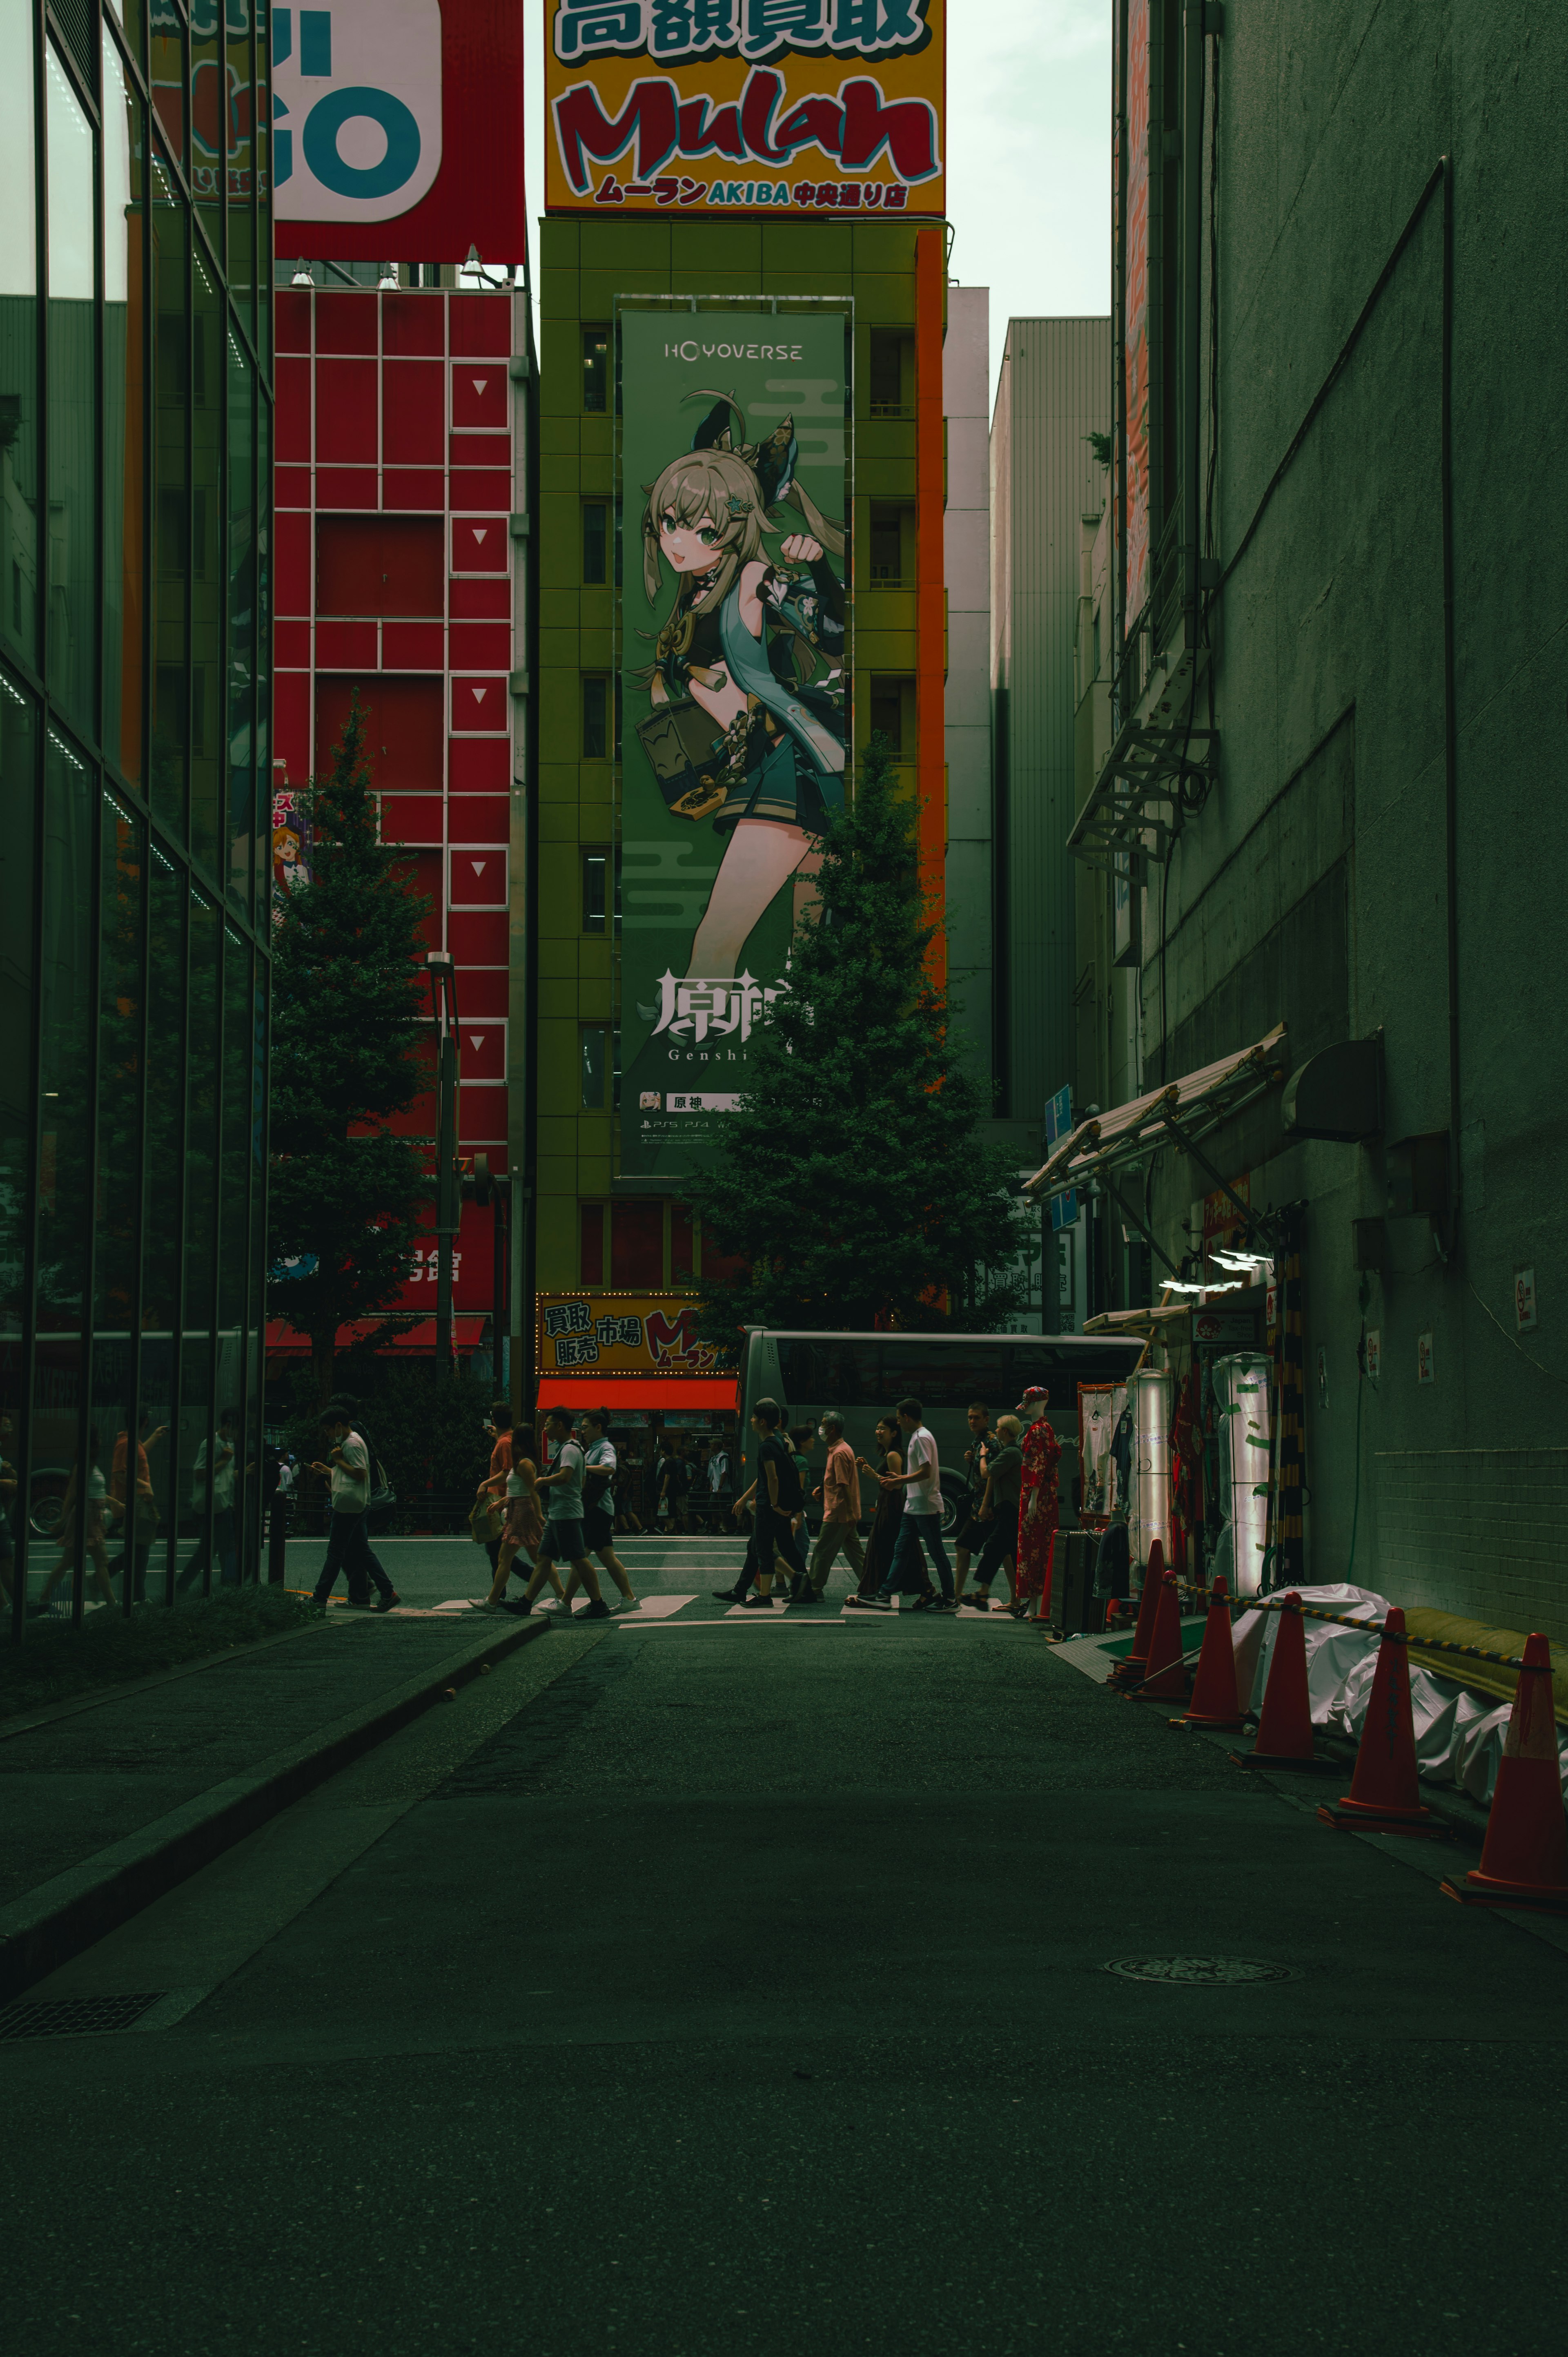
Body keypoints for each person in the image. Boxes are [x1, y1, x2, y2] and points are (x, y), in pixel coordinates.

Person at [512, 1408, 609, 1619]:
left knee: (579, 1560)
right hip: (559, 1513)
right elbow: (581, 1481)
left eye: (548, 1424)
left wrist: (542, 1482)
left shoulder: (570, 1450)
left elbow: (565, 1476)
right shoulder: (569, 1448)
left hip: (567, 1514)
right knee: (544, 1559)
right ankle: (525, 1603)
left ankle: (598, 1604)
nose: (545, 1429)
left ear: (559, 1426)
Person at [867, 1395, 954, 1612]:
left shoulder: (922, 1438)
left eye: (899, 1418)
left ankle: (951, 1599)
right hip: (914, 1506)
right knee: (901, 1550)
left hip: (926, 1507)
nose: (898, 1422)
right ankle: (884, 1594)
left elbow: (926, 1471)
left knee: (937, 1553)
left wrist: (898, 1480)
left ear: (906, 1417)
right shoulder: (918, 1436)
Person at [310, 1410, 400, 1612]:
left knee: (335, 1552)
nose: (328, 1435)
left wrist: (338, 1461)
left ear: (338, 1426)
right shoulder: (354, 1441)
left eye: (328, 1430)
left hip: (349, 1507)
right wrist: (328, 1470)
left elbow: (360, 1473)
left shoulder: (350, 1443)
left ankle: (319, 1597)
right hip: (358, 1504)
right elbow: (350, 1474)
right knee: (362, 1551)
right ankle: (388, 1592)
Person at [474, 1405, 559, 1613]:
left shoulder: (522, 1462)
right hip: (518, 1509)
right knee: (538, 1558)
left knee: (506, 1558)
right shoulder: (518, 1457)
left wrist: (538, 1515)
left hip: (521, 1513)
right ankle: (561, 1595)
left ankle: (493, 1601)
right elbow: (517, 1485)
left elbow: (531, 1490)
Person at [32, 1430, 118, 1613]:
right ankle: (112, 1604)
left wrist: (116, 1503)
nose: (103, 1442)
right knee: (101, 1560)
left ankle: (44, 1597)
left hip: (91, 1515)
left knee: (68, 1561)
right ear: (94, 1443)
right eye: (100, 1439)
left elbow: (96, 1492)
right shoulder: (84, 1466)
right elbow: (72, 1493)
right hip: (86, 1516)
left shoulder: (91, 1465)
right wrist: (62, 1520)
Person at [737, 1396, 808, 1608]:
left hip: (769, 1505)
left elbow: (773, 1477)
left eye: (754, 1417)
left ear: (762, 1422)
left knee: (764, 1550)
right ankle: (793, 1579)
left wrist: (775, 1504)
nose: (750, 1420)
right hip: (777, 1505)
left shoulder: (767, 1446)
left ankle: (768, 1594)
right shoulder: (779, 1441)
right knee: (768, 1548)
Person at [570, 1407, 638, 1612]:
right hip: (598, 1509)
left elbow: (609, 1468)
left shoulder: (605, 1447)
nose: (582, 1431)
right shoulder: (592, 1448)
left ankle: (565, 1602)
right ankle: (630, 1599)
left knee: (580, 1557)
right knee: (607, 1558)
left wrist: (583, 1467)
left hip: (598, 1510)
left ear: (598, 1427)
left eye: (585, 1427)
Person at [960, 1414, 1024, 1611]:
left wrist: (982, 1455)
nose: (995, 1431)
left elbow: (987, 1473)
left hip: (1010, 1509)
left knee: (995, 1548)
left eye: (998, 1428)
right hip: (1008, 1508)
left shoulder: (1011, 1453)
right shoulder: (1011, 1451)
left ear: (1005, 1431)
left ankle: (985, 1593)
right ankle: (994, 1595)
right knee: (1007, 1554)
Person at [1012, 1385, 1062, 1622]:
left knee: (1032, 1547)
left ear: (1035, 1403)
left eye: (1028, 1403)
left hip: (1035, 1496)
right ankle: (1035, 1603)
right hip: (1044, 1495)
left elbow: (1037, 1465)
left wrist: (1032, 1498)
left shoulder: (1036, 1431)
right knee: (1040, 1548)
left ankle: (1036, 1603)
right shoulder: (1047, 1429)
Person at [177, 1406, 241, 1593]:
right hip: (212, 1506)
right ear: (228, 1426)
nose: (237, 1433)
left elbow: (226, 1477)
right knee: (223, 1547)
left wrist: (243, 1473)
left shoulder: (229, 1446)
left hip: (223, 1505)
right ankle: (228, 1585)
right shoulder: (210, 1444)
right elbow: (199, 1474)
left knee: (212, 1549)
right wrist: (223, 1461)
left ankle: (182, 1587)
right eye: (236, 1428)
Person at [804, 1410, 863, 1602]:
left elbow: (843, 1484)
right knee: (854, 1552)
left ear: (832, 1429)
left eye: (823, 1425)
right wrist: (822, 1487)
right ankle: (872, 1583)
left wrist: (850, 1512)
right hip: (844, 1512)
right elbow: (837, 1477)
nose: (820, 1429)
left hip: (838, 1512)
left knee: (823, 1550)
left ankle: (814, 1588)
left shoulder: (839, 1453)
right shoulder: (842, 1449)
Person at [845, 1416, 904, 1608]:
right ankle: (876, 1590)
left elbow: (897, 1485)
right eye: (877, 1428)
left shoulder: (893, 1455)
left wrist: (874, 1475)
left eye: (883, 1429)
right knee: (889, 1549)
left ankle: (874, 1592)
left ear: (894, 1433)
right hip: (887, 1505)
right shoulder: (888, 1454)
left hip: (892, 1507)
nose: (878, 1432)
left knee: (879, 1548)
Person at [109, 1407, 166, 1603]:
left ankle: (103, 1578)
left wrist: (156, 1437)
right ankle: (137, 1597)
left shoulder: (133, 1442)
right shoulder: (125, 1443)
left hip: (139, 1503)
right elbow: (119, 1473)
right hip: (133, 1504)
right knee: (140, 1553)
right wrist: (145, 1485)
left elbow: (140, 1455)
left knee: (138, 1552)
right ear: (144, 1422)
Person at [948, 1400, 993, 1603]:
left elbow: (993, 1474)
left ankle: (1012, 1597)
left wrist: (986, 1504)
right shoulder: (978, 1441)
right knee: (963, 1546)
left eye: (976, 1417)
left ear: (987, 1420)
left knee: (1004, 1552)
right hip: (979, 1504)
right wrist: (972, 1459)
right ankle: (958, 1594)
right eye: (970, 1417)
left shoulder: (992, 1442)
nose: (972, 1421)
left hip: (989, 1506)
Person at [787, 1423, 815, 1570]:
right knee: (803, 1545)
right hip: (795, 1510)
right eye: (810, 1437)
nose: (814, 1440)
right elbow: (800, 1490)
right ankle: (798, 1578)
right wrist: (799, 1515)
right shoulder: (802, 1461)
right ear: (802, 1442)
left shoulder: (791, 1457)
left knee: (790, 1545)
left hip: (786, 1508)